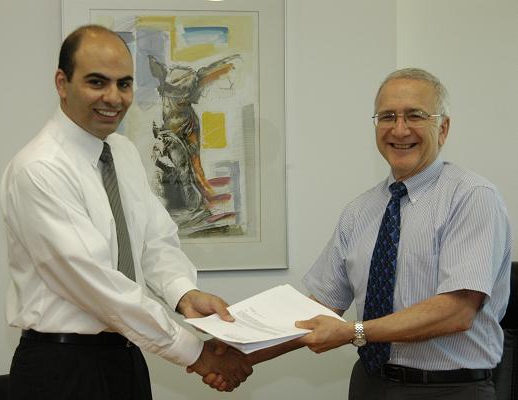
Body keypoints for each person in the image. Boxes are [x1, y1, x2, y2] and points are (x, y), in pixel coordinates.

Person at [204, 68, 511, 399]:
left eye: (415, 115)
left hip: (449, 389)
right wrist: (239, 352)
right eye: (387, 116)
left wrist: (355, 332)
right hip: (370, 384)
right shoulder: (359, 211)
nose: (400, 129)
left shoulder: (471, 197)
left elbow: (457, 311)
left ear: (443, 128)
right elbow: (321, 308)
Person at [0, 24, 252, 399]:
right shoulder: (39, 169)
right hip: (62, 369)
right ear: (62, 83)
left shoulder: (123, 152)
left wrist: (183, 294)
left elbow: (154, 241)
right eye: (97, 82)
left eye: (124, 84)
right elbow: (97, 285)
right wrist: (196, 353)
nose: (114, 97)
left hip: (126, 357)